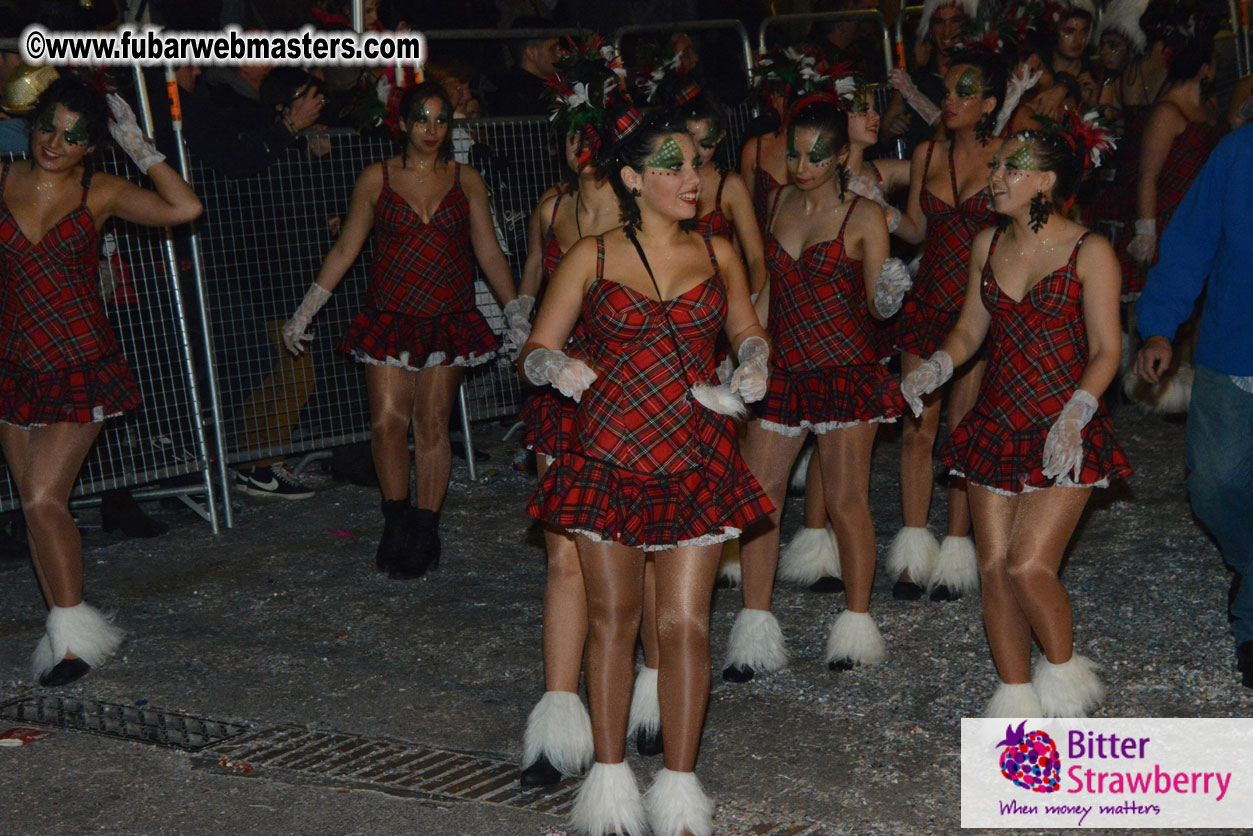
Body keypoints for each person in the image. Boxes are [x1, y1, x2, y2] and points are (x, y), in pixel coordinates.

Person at [522, 110, 770, 836]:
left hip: (693, 457)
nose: (691, 179)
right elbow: (536, 344)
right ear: (632, 179)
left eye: (695, 164)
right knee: (612, 621)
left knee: (686, 625)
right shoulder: (591, 256)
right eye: (672, 167)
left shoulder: (718, 252)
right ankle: (607, 784)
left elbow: (744, 326)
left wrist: (752, 357)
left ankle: (681, 791)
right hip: (607, 457)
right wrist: (554, 366)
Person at [903, 118, 1129, 717]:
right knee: (994, 568)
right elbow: (970, 329)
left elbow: (1109, 349)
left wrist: (1077, 413)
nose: (995, 177)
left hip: (1063, 422)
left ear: (1046, 181)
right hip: (996, 423)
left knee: (1029, 564)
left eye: (1009, 167)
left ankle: (1064, 681)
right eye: (996, 165)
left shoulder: (1090, 249)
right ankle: (1015, 700)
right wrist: (936, 367)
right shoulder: (988, 243)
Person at [2, 78, 201, 686]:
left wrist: (139, 146)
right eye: (48, 128)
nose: (55, 143)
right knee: (37, 509)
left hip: (79, 363)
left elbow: (184, 209)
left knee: (41, 497)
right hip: (12, 367)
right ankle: (62, 629)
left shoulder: (102, 191)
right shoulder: (2, 178)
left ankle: (74, 637)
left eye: (74, 136)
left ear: (93, 146)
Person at [282, 81, 519, 579]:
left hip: (447, 318)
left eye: (441, 120)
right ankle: (395, 519)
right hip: (390, 316)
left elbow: (489, 251)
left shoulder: (466, 179)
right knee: (387, 423)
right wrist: (306, 311)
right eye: (423, 119)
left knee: (432, 426)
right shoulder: (377, 178)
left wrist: (516, 312)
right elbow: (346, 249)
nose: (432, 130)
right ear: (404, 125)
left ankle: (426, 528)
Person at [724, 94, 906, 682]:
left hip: (845, 374)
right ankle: (753, 632)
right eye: (795, 153)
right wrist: (752, 346)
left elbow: (880, 311)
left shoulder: (864, 216)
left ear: (840, 156)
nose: (801, 165)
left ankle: (856, 624)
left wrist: (888, 295)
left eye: (815, 156)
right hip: (787, 373)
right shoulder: (776, 201)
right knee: (759, 498)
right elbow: (772, 291)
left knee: (849, 502)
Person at [514, 39, 651, 789]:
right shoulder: (552, 207)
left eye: (585, 129)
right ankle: (558, 723)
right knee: (564, 557)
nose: (574, 146)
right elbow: (538, 300)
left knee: (645, 558)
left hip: (639, 405)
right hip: (563, 400)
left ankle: (655, 698)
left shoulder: (647, 215)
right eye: (566, 131)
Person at [1133, 123, 1253, 690]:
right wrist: (1158, 328)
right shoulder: (1239, 152)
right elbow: (1189, 245)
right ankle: (1250, 565)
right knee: (1214, 484)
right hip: (1234, 353)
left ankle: (1251, 623)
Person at [891, 49, 1006, 602]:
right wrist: (882, 210)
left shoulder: (1006, 158)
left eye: (966, 93)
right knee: (917, 431)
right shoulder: (926, 152)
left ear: (988, 104)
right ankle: (913, 557)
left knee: (963, 432)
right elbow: (915, 231)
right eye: (948, 91)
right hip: (927, 304)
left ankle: (957, 553)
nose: (952, 101)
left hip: (977, 315)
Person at [491, 17, 561, 117]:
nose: (560, 53)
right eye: (552, 48)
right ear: (531, 53)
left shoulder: (550, 87)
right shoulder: (515, 98)